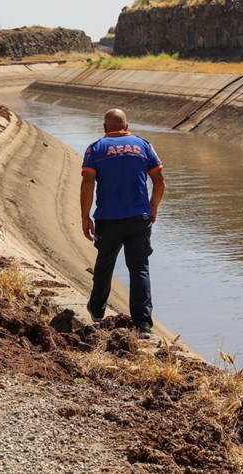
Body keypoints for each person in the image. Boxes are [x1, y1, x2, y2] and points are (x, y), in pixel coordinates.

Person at [81, 108, 165, 336]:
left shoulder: (95, 149)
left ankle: (97, 311)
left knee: (104, 264)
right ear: (126, 126)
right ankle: (143, 325)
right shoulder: (143, 145)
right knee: (139, 268)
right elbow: (159, 181)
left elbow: (87, 183)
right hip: (139, 218)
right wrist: (153, 207)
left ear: (105, 128)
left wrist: (85, 216)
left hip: (108, 220)